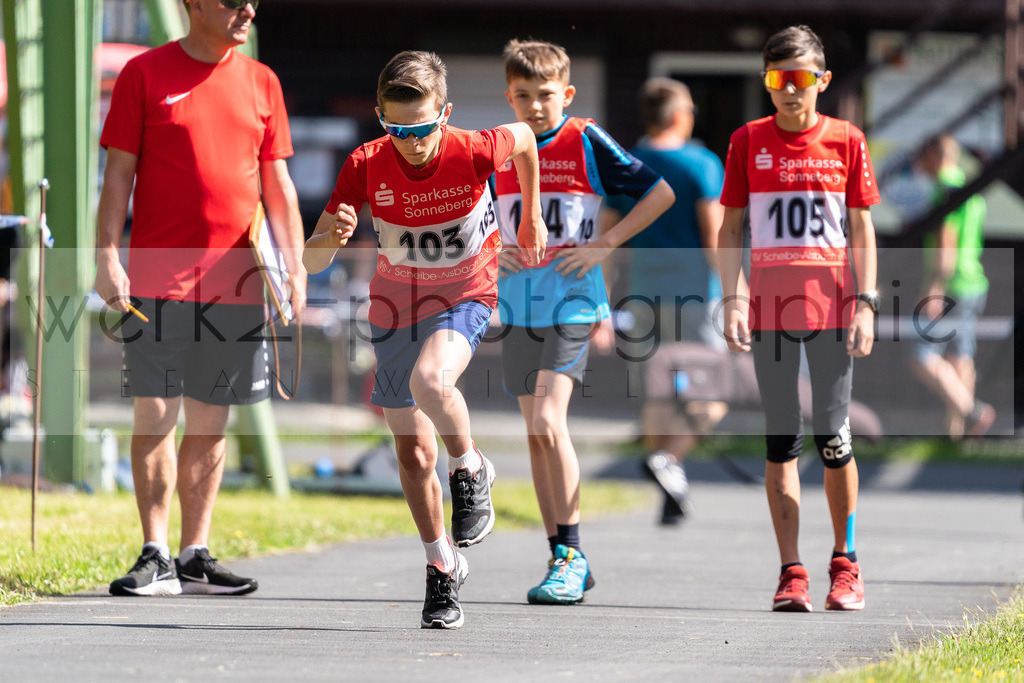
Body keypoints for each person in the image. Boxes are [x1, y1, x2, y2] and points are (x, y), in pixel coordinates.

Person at [303, 50, 546, 629]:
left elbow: (525, 140)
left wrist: (530, 214)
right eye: (398, 131)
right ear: (381, 119)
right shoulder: (365, 163)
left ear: (446, 114)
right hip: (395, 307)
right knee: (413, 454)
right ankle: (442, 566)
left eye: (423, 129)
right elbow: (312, 262)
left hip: (466, 293)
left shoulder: (474, 148)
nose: (411, 143)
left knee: (431, 381)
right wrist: (331, 238)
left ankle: (470, 465)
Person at [95, 0, 307, 597]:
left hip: (237, 286)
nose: (247, 9)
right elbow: (118, 175)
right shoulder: (143, 73)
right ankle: (154, 552)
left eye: (251, 0)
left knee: (211, 422)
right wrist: (106, 256)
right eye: (232, 0)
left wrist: (296, 267)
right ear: (193, 3)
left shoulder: (263, 81)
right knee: (155, 415)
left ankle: (194, 555)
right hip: (156, 282)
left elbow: (278, 185)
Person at [495, 39, 674, 604]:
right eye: (523, 95)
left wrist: (604, 244)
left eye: (546, 94)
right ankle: (561, 557)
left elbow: (660, 193)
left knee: (551, 419)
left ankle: (572, 553)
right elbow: (473, 217)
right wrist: (489, 251)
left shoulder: (585, 139)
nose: (535, 105)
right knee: (536, 433)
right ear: (509, 97)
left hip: (573, 301)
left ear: (567, 94)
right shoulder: (498, 147)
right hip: (517, 304)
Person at [718, 25, 879, 613]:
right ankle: (792, 572)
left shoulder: (847, 140)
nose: (790, 90)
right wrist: (733, 297)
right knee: (782, 441)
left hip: (833, 308)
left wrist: (866, 303)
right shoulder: (747, 141)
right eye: (778, 79)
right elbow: (730, 227)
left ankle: (846, 563)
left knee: (833, 438)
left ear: (823, 80)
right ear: (766, 82)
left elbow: (861, 227)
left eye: (801, 78)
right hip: (770, 313)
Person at [603, 77, 727, 526]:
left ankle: (667, 484)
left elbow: (606, 239)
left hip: (642, 296)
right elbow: (715, 236)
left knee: (658, 394)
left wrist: (601, 303)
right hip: (697, 298)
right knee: (716, 393)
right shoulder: (702, 163)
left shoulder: (626, 164)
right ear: (678, 115)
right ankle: (669, 460)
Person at [911, 134, 994, 439]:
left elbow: (946, 242)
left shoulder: (945, 189)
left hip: (952, 284)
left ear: (934, 154)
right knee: (961, 356)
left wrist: (934, 288)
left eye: (922, 155)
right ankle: (959, 434)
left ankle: (972, 412)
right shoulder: (969, 187)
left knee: (922, 356)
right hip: (974, 281)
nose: (919, 163)